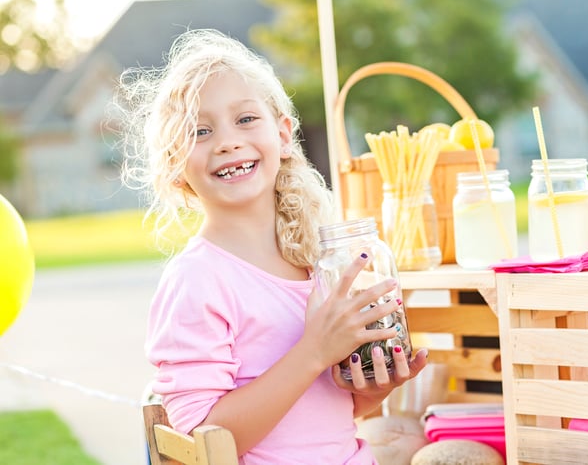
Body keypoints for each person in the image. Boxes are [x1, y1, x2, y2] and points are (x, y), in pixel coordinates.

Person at [116, 28, 428, 464]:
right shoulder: (197, 280)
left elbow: (318, 417)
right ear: (175, 165)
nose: (227, 141)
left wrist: (370, 389)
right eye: (200, 131)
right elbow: (203, 441)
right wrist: (314, 351)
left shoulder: (314, 263)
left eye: (245, 119)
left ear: (283, 136)